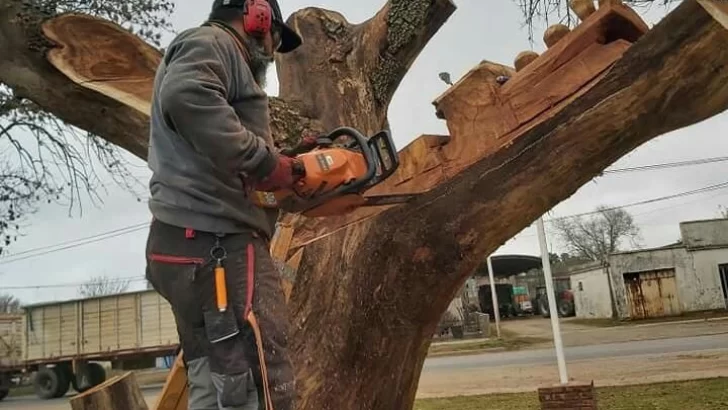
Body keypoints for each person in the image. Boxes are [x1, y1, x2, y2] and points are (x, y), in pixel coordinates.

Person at [144, 0, 303, 409]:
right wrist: (267, 163)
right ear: (258, 17)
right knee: (259, 375)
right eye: (276, 38)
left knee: (216, 381)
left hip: (187, 242)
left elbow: (224, 149)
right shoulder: (214, 43)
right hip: (217, 244)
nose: (272, 50)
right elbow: (186, 96)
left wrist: (285, 162)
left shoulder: (213, 53)